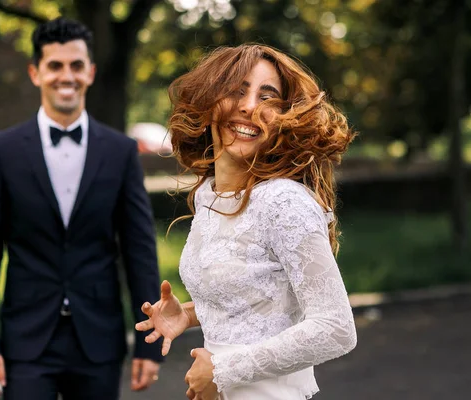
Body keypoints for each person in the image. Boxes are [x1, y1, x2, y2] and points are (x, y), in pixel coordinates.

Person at [136, 44, 358, 400]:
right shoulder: (211, 195)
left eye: (267, 97)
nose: (250, 106)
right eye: (237, 91)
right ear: (209, 103)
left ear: (283, 117)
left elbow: (336, 328)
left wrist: (222, 370)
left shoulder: (283, 202)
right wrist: (191, 314)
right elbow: (260, 296)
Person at [0, 17, 163, 399]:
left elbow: (139, 250)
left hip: (99, 341)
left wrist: (149, 342)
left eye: (75, 65)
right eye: (55, 65)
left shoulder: (120, 152)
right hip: (26, 343)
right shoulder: (1, 151)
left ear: (90, 72)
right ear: (36, 72)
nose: (65, 76)